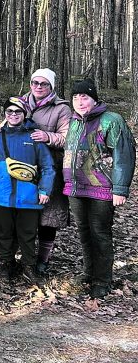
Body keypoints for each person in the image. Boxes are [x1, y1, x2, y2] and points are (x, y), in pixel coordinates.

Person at [63, 79, 135, 298]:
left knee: (100, 234)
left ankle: (102, 280)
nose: (80, 101)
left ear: (94, 99)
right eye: (76, 97)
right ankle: (89, 272)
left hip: (101, 189)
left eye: (84, 97)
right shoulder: (74, 121)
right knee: (84, 234)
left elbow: (124, 156)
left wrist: (120, 188)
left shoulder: (111, 121)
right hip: (76, 188)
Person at [0, 98, 55, 285]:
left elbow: (47, 166)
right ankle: (5, 262)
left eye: (18, 111)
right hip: (2, 195)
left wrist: (44, 189)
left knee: (27, 232)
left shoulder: (34, 137)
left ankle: (29, 265)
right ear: (5, 114)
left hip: (28, 196)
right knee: (3, 231)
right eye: (9, 111)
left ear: (24, 113)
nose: (13, 115)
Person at [19, 69, 72, 275]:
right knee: (22, 214)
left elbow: (69, 138)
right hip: (23, 167)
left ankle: (42, 260)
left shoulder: (62, 109)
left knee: (48, 218)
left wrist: (48, 136)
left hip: (51, 168)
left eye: (44, 84)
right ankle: (22, 257)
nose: (39, 87)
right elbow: (10, 123)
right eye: (35, 82)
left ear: (51, 87)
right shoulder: (22, 102)